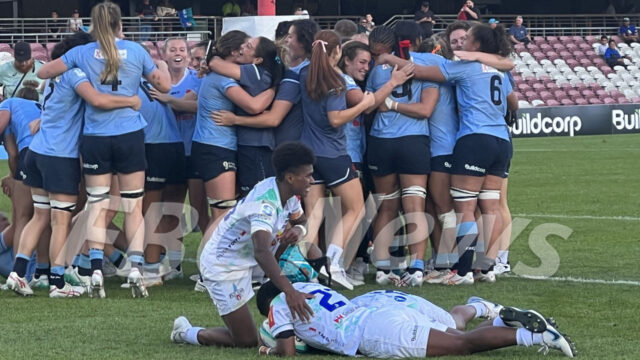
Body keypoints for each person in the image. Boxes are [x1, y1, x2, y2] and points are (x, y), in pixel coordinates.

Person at [37, 1, 171, 299]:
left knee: (97, 205)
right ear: (119, 21)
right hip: (129, 134)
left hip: (95, 137)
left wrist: (78, 75)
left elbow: (44, 71)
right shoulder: (136, 51)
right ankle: (135, 268)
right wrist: (158, 66)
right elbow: (164, 86)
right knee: (133, 206)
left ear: (92, 23)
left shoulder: (81, 53)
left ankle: (95, 268)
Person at [377, 23, 518, 285]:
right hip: (502, 141)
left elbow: (414, 70)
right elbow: (514, 102)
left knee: (464, 208)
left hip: (475, 138)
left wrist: (386, 57)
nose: (462, 43)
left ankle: (462, 272)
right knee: (489, 205)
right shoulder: (498, 70)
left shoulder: (464, 67)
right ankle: (486, 268)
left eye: (467, 39)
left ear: (476, 46)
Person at [5, 32, 143, 297]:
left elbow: (53, 110)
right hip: (59, 156)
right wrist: (130, 100)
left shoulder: (52, 79)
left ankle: (18, 274)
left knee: (40, 216)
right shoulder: (76, 75)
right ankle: (58, 284)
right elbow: (98, 100)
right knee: (60, 222)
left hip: (36, 152)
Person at [169, 142, 316, 348]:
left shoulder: (287, 193)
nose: (312, 180)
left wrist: (299, 231)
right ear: (290, 178)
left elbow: (301, 222)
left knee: (312, 250)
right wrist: (290, 292)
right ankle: (186, 332)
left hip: (249, 261)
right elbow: (261, 250)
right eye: (308, 175)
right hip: (223, 265)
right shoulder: (266, 204)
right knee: (246, 341)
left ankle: (310, 315)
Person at [253, 281, 577, 358]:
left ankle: (535, 336)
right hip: (379, 308)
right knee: (455, 328)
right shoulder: (305, 285)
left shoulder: (278, 305)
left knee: (460, 344)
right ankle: (488, 312)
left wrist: (276, 346)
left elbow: (289, 352)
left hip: (372, 329)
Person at [298, 30, 375, 289]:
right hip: (333, 153)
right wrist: (364, 104)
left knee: (314, 214)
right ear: (338, 52)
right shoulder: (336, 79)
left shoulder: (304, 74)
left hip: (309, 153)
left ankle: (304, 267)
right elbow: (336, 119)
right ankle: (333, 262)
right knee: (356, 208)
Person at [365, 22, 437, 287]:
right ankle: (416, 266)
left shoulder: (377, 70)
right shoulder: (424, 67)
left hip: (381, 141)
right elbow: (426, 108)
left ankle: (383, 267)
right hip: (413, 140)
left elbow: (373, 104)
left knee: (386, 205)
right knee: (414, 204)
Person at [190, 30, 275, 230]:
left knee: (225, 212)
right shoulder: (222, 78)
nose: (245, 52)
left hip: (214, 145)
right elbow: (254, 106)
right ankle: (212, 260)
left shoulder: (221, 74)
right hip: (215, 146)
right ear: (235, 52)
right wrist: (275, 88)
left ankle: (214, 258)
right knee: (223, 214)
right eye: (244, 47)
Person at [149, 38, 207, 286]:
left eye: (182, 50)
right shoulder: (154, 79)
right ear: (164, 54)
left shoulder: (197, 78)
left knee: (197, 210)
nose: (178, 53)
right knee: (167, 208)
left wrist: (172, 103)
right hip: (167, 150)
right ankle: (172, 263)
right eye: (172, 49)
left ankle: (206, 264)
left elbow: (199, 107)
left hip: (193, 149)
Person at [208, 36, 284, 196]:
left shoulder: (254, 71)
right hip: (250, 145)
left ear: (257, 59)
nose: (242, 47)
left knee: (259, 198)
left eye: (248, 46)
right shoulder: (257, 72)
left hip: (256, 146)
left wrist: (213, 55)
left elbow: (215, 64)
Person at [0, 83, 44, 294]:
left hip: (31, 153)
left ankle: (20, 276)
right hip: (57, 153)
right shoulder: (43, 105)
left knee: (23, 218)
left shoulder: (9, 104)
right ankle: (45, 272)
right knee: (47, 216)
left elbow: (14, 155)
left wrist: (13, 176)